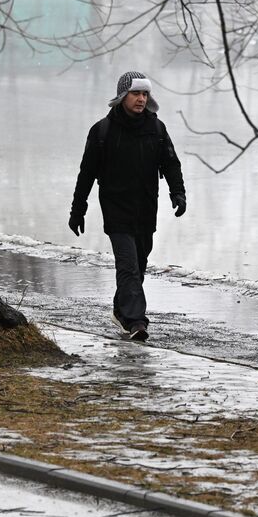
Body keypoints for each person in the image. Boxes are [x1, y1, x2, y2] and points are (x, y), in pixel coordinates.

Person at [69, 71, 186, 342]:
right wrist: (78, 209)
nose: (141, 99)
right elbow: (86, 173)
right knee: (128, 265)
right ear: (123, 96)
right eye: (136, 93)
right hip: (116, 208)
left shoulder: (156, 129)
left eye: (145, 94)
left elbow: (171, 163)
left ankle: (121, 310)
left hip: (146, 208)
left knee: (140, 262)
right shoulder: (102, 131)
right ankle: (135, 321)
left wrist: (177, 193)